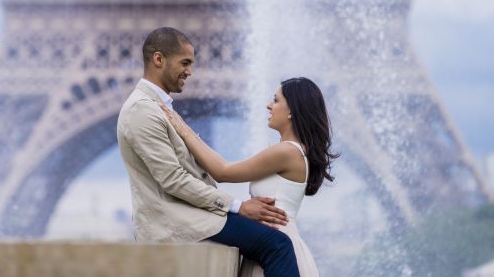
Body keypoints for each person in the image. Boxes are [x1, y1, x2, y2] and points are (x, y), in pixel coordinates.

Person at [116, 27, 300, 277]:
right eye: (185, 62)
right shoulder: (143, 110)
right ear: (158, 59)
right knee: (277, 245)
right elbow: (173, 179)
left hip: (189, 216)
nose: (190, 71)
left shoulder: (157, 107)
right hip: (176, 221)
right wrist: (238, 206)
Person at [159, 77, 339, 277]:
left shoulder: (286, 152)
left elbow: (223, 172)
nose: (269, 105)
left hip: (273, 248)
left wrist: (184, 130)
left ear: (292, 111)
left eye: (276, 100)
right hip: (270, 244)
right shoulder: (293, 151)